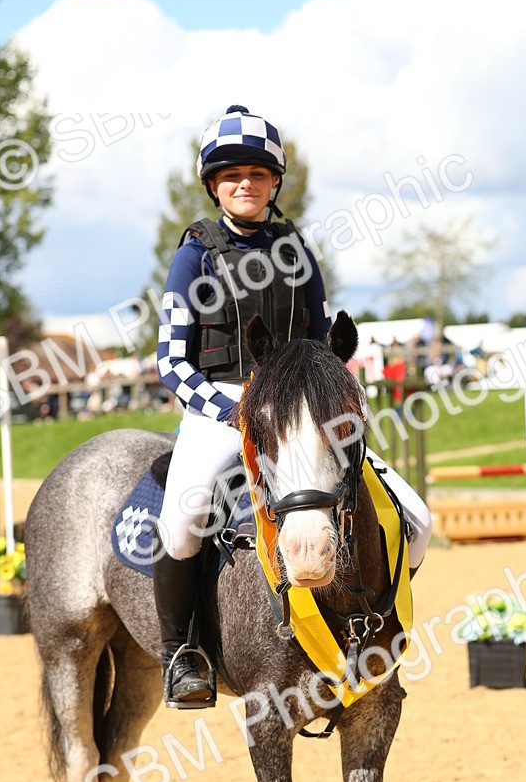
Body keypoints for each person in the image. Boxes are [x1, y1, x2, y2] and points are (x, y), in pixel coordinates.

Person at [154, 105, 432, 706]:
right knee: (182, 523)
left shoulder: (297, 250)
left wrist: (326, 401)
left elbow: (322, 341)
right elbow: (171, 361)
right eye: (231, 176)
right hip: (221, 406)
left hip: (299, 411)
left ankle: (371, 627)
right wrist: (233, 412)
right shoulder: (193, 254)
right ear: (213, 185)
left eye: (256, 174)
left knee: (417, 519)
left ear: (274, 182)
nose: (244, 184)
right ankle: (183, 653)